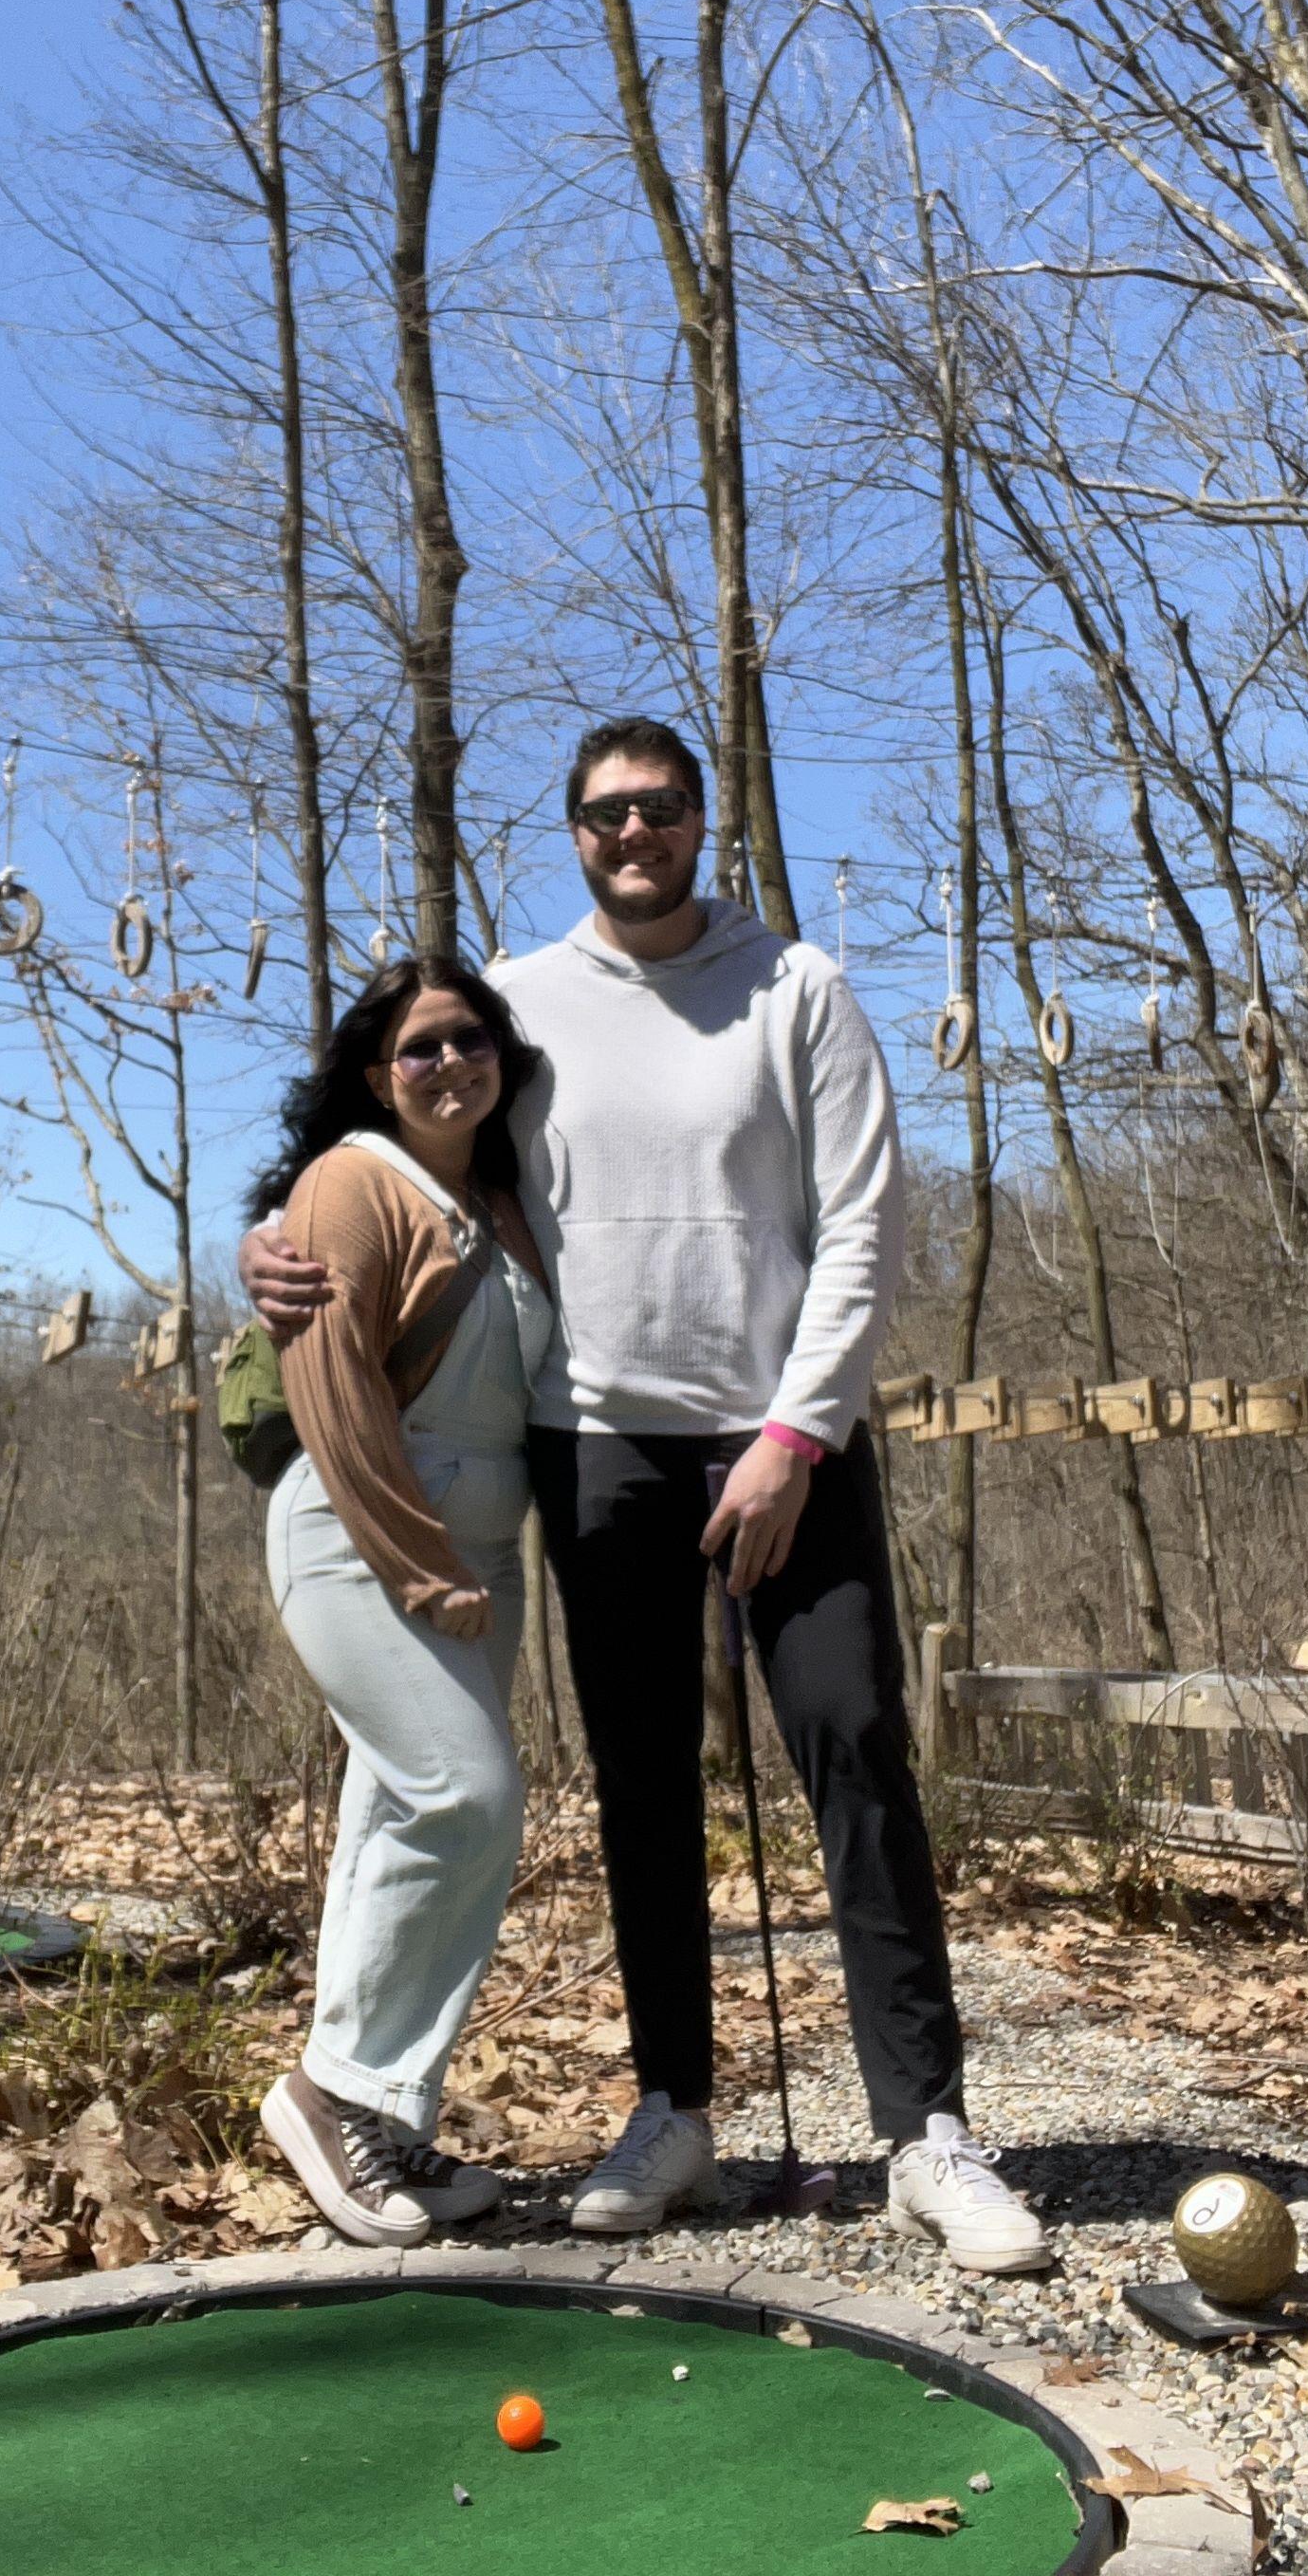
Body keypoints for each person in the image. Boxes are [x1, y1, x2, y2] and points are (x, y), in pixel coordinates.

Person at [245, 719, 1050, 2273]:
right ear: (574, 832)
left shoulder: (795, 988)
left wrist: (797, 1434)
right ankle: (673, 2109)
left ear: (701, 819)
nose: (635, 832)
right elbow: (407, 1162)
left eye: (662, 806)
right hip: (596, 1445)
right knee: (641, 1781)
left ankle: (927, 2133)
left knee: (854, 1745)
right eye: (606, 812)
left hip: (783, 1437)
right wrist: (268, 1245)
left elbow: (864, 1223)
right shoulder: (519, 1004)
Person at [246, 954, 556, 2250]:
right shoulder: (353, 1181)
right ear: (378, 1077)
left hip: (484, 1550)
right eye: (419, 1048)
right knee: (465, 1795)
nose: (448, 1065)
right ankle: (327, 2096)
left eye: (468, 1040)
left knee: (398, 1813)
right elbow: (333, 1389)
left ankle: (382, 2110)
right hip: (360, 1536)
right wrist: (417, 1560)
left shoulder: (511, 1191)